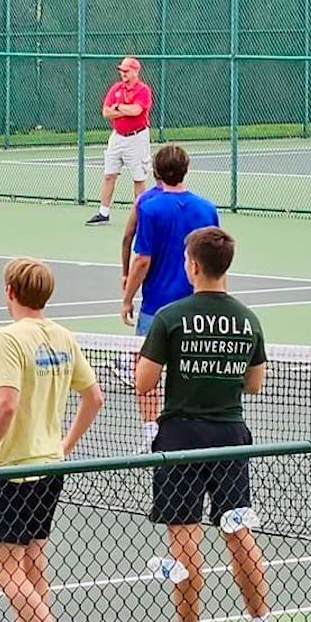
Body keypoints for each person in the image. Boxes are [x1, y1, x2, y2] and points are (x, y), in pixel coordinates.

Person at [135, 226, 286, 622]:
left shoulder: (169, 317)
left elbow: (144, 382)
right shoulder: (247, 319)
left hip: (181, 441)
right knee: (239, 533)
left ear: (194, 265)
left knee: (184, 539)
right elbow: (254, 384)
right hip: (230, 439)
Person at [0, 259, 103, 622]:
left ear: (10, 291)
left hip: (14, 467)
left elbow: (5, 405)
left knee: (4, 568)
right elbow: (94, 396)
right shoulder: (63, 336)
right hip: (50, 466)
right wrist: (63, 445)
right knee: (31, 564)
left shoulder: (8, 337)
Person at [119, 144, 218, 450]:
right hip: (199, 307)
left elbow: (142, 259)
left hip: (155, 309)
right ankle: (190, 431)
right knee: (190, 370)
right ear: (185, 170)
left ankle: (152, 436)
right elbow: (216, 260)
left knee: (145, 376)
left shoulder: (148, 207)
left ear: (156, 172)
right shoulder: (208, 208)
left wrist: (126, 298)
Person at [86, 56, 153, 226]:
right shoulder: (116, 88)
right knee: (109, 175)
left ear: (135, 71)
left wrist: (118, 107)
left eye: (126, 71)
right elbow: (106, 112)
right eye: (121, 70)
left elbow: (137, 110)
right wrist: (121, 109)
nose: (123, 73)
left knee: (138, 178)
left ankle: (140, 216)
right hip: (117, 137)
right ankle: (103, 213)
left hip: (137, 138)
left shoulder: (143, 90)